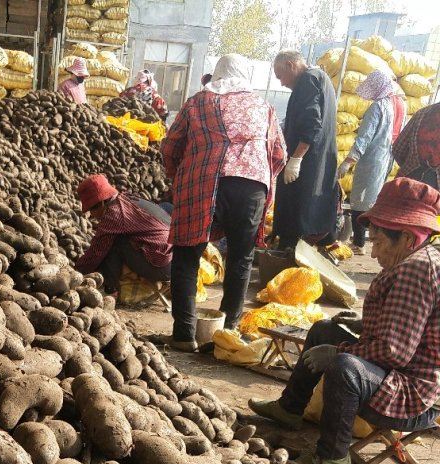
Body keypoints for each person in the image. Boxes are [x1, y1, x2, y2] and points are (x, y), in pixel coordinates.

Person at [248, 177, 440, 464]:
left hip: (411, 393)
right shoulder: (418, 258)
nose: (373, 254)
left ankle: (333, 456)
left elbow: (394, 351)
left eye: (377, 242)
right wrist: (364, 323)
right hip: (398, 370)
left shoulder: (415, 269)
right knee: (324, 328)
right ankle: (289, 408)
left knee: (344, 366)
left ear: (405, 236)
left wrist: (338, 351)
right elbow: (413, 324)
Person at [161, 53, 287, 352]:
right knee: (240, 259)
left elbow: (170, 147)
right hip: (252, 188)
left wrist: (179, 176)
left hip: (203, 183)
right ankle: (227, 333)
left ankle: (184, 335)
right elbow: (279, 153)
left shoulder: (198, 102)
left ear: (216, 75)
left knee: (187, 257)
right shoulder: (263, 106)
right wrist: (260, 174)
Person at [271, 50, 338, 249]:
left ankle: (290, 260)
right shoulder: (321, 78)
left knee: (296, 214)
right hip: (318, 162)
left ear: (291, 65)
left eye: (280, 76)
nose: (281, 83)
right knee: (309, 213)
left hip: (308, 163)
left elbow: (311, 124)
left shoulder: (308, 81)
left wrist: (296, 159)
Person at [339, 70, 406, 252]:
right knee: (374, 200)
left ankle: (359, 243)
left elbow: (364, 137)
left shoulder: (378, 107)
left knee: (359, 200)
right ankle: (371, 241)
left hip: (372, 159)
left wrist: (349, 160)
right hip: (388, 159)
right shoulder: (400, 104)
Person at [75, 173, 172, 297]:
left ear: (102, 203)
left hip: (164, 266)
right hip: (177, 257)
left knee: (114, 242)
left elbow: (96, 252)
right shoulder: (125, 198)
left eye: (92, 210)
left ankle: (111, 290)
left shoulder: (113, 215)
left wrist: (77, 271)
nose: (92, 216)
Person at [393, 101, 440, 191]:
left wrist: (412, 162)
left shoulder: (422, 113)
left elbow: (398, 149)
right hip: (435, 196)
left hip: (406, 182)